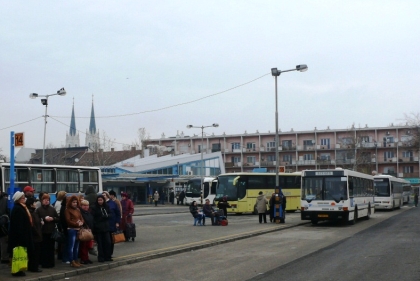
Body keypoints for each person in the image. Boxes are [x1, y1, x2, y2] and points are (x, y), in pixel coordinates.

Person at [7, 191, 34, 277]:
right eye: (22, 198)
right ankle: (17, 271)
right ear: (18, 199)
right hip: (19, 237)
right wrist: (21, 235)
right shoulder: (18, 209)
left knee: (21, 254)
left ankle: (20, 269)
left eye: (24, 198)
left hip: (22, 235)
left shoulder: (22, 207)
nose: (24, 199)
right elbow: (18, 225)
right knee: (18, 254)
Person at [36, 193, 59, 268]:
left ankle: (51, 263)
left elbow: (58, 218)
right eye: (45, 200)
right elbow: (36, 220)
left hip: (51, 231)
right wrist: (43, 219)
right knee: (44, 248)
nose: (47, 201)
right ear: (42, 201)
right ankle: (44, 263)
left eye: (48, 200)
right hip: (43, 231)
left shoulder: (52, 209)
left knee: (51, 248)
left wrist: (53, 219)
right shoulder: (39, 210)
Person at [91, 195, 112, 262]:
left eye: (101, 200)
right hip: (98, 228)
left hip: (106, 227)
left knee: (108, 242)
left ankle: (107, 256)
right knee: (100, 244)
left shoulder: (106, 206)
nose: (100, 201)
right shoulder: (94, 208)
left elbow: (111, 213)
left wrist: (107, 215)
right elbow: (93, 218)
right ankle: (101, 257)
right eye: (99, 200)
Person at [64, 195, 84, 268]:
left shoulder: (78, 210)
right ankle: (71, 261)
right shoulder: (67, 210)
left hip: (78, 229)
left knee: (76, 246)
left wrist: (81, 222)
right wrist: (77, 224)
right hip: (72, 230)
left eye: (76, 202)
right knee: (71, 246)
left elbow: (82, 218)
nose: (75, 203)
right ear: (70, 202)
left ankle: (76, 260)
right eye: (73, 202)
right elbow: (68, 221)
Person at [25, 197, 43, 273]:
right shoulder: (30, 213)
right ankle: (34, 267)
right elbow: (33, 225)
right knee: (35, 253)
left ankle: (33, 266)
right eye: (34, 203)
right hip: (35, 236)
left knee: (34, 252)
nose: (36, 204)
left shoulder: (33, 212)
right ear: (31, 204)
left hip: (36, 235)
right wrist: (38, 233)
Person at [79, 200, 94, 264]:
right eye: (84, 205)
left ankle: (86, 258)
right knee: (83, 246)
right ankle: (83, 259)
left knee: (88, 245)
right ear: (81, 206)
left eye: (87, 205)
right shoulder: (80, 213)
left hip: (89, 230)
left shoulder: (88, 212)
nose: (86, 207)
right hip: (84, 231)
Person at [0, 190, 9, 264]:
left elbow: (8, 211)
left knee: (4, 241)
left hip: (3, 225)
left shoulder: (5, 200)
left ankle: (4, 257)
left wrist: (4, 219)